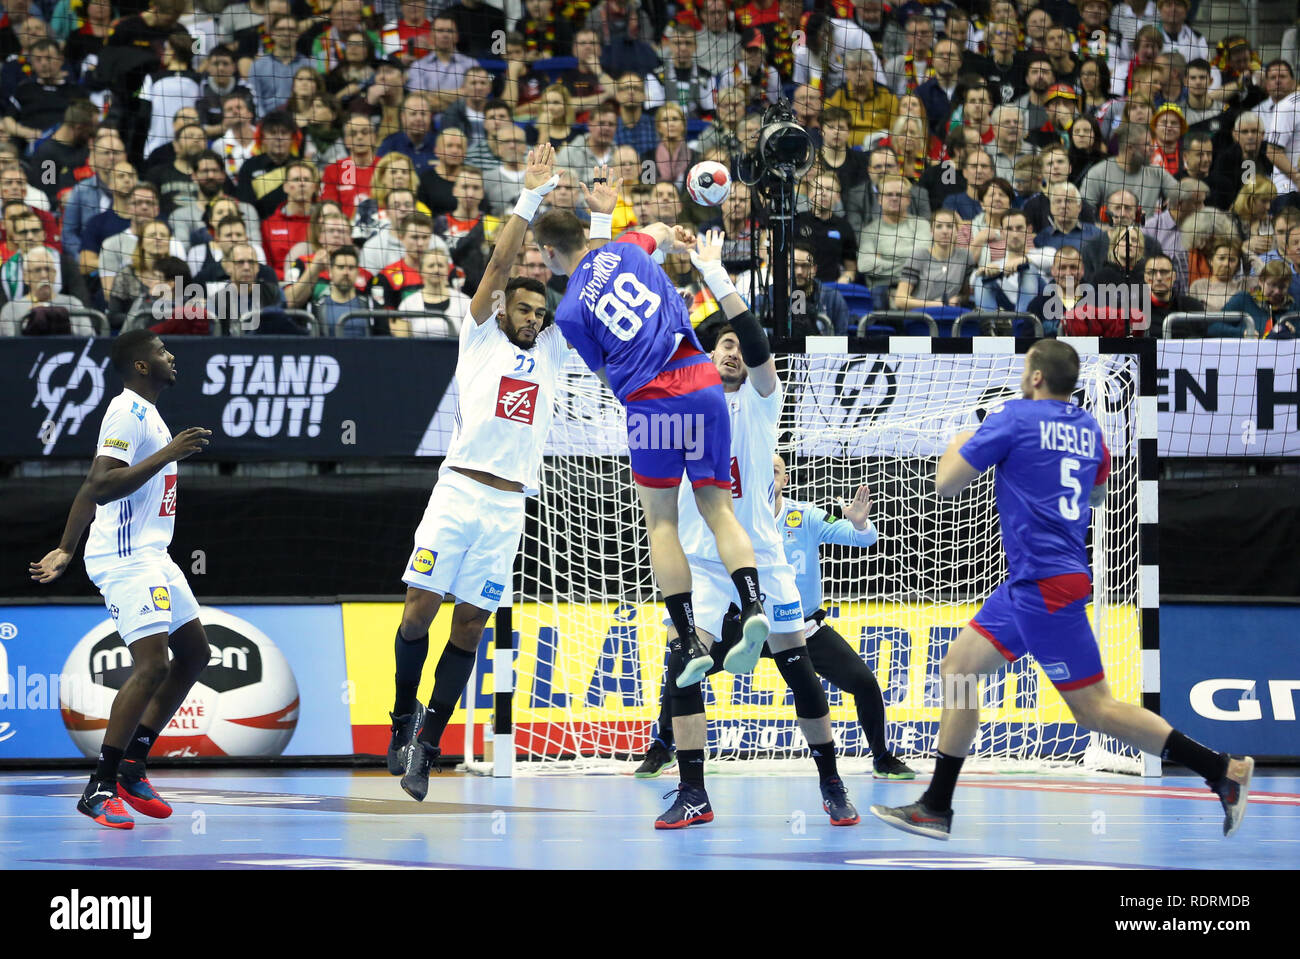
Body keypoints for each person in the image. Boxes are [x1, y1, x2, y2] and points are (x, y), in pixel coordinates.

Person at [871, 341, 1256, 840]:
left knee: (1094, 710)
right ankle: (936, 806)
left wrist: (960, 439)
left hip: (1043, 587)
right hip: (1038, 581)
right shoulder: (1091, 431)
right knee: (960, 668)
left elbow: (946, 483)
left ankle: (1221, 770)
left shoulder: (1013, 419)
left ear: (1035, 378)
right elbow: (1096, 494)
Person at [535, 192, 775, 824]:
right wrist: (675, 241)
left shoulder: (565, 310)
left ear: (545, 253)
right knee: (721, 509)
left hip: (648, 402)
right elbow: (664, 231)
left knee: (662, 522)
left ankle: (687, 630)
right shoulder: (626, 245)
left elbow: (605, 372)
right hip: (698, 378)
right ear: (588, 232)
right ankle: (754, 606)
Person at [395, 145, 570, 800]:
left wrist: (602, 222)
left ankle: (426, 746)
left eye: (538, 312)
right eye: (523, 309)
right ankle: (398, 714)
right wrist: (528, 196)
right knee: (420, 608)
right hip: (459, 487)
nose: (532, 317)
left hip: (508, 506)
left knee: (468, 623)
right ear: (501, 311)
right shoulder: (481, 335)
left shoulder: (552, 350)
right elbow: (500, 263)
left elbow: (582, 289)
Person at [635, 455, 917, 782]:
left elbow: (864, 539)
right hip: (745, 627)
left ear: (785, 480)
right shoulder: (729, 518)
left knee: (864, 683)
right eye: (763, 468)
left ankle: (881, 756)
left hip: (798, 627)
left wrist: (858, 523)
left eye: (777, 471)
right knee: (684, 669)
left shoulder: (804, 516)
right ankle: (662, 745)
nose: (769, 474)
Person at [30, 330, 213, 829]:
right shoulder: (126, 411)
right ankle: (100, 785)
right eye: (160, 351)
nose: (170, 355)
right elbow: (101, 484)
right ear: (140, 366)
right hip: (125, 556)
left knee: (196, 653)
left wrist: (66, 546)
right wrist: (169, 454)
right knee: (152, 665)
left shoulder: (149, 413)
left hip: (154, 553)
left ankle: (134, 762)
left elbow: (94, 488)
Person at [893, 208, 971, 309]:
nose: (945, 231)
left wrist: (958, 299)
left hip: (951, 316)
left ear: (957, 231)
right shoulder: (918, 256)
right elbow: (900, 300)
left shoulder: (965, 257)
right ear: (931, 231)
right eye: (939, 226)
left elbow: (965, 295)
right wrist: (938, 305)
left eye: (949, 226)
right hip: (921, 316)